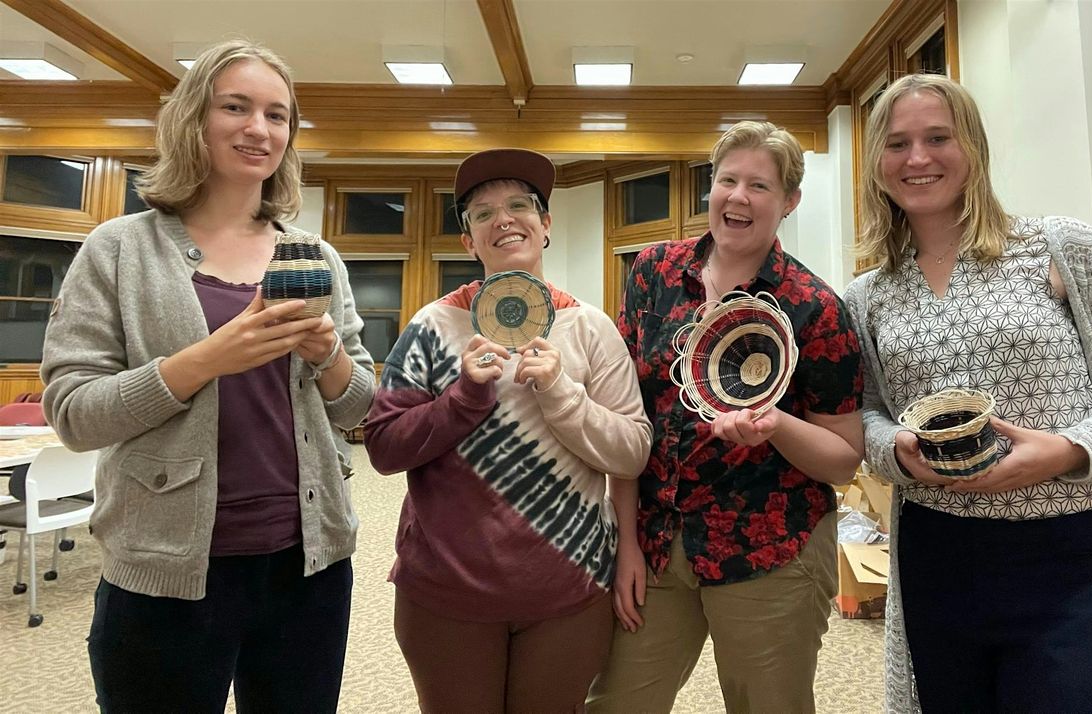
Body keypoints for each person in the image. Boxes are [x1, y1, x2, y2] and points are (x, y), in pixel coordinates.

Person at [843, 73, 1092, 713]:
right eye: (897, 144)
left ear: (972, 147)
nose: (917, 158)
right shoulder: (867, 296)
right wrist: (892, 449)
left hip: (1075, 555)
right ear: (877, 164)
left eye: (937, 137)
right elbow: (863, 413)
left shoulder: (1060, 248)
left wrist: (1071, 448)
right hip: (940, 559)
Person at [40, 40, 375, 712]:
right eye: (237, 107)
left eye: (277, 115)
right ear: (194, 118)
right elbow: (74, 413)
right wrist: (208, 359)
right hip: (166, 572)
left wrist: (328, 356)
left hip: (309, 565)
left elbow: (359, 405)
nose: (260, 128)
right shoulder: (120, 247)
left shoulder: (314, 254)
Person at [588, 120, 865, 714]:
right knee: (616, 703)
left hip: (773, 546)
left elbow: (844, 458)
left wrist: (777, 426)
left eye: (759, 186)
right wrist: (626, 543)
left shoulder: (815, 308)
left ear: (789, 201)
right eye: (727, 180)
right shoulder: (653, 274)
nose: (738, 197)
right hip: (659, 540)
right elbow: (626, 416)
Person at [363, 147, 652, 713]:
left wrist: (563, 394)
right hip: (446, 593)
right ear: (469, 241)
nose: (504, 219)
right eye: (483, 213)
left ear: (545, 225)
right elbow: (382, 447)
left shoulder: (591, 328)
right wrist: (463, 398)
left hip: (568, 590)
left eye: (520, 205)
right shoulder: (431, 325)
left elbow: (633, 451)